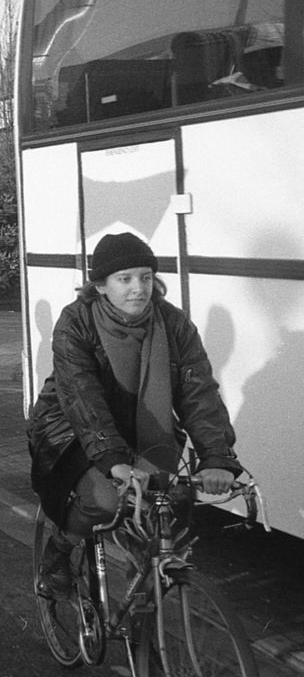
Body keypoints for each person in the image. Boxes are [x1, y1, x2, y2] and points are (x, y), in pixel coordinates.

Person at [28, 232, 243, 598]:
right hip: (70, 426)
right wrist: (113, 460)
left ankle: (145, 623)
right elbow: (83, 398)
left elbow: (199, 393)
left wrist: (216, 457)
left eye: (145, 277)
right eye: (124, 279)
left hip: (143, 429)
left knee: (169, 505)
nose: (138, 288)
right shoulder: (76, 322)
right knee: (105, 500)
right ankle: (59, 550)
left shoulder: (173, 324)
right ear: (100, 285)